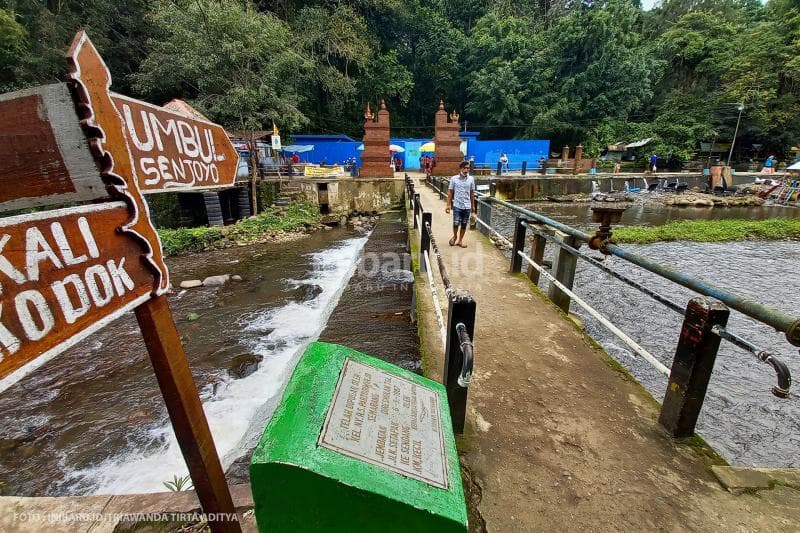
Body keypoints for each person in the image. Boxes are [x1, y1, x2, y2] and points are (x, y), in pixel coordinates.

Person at [446, 161, 476, 248]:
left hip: (467, 206)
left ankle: (460, 240)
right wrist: (448, 205)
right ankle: (455, 236)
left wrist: (473, 206)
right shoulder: (454, 179)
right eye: (465, 168)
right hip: (457, 205)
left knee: (464, 224)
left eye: (468, 168)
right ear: (461, 168)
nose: (466, 170)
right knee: (455, 223)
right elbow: (450, 192)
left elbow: (472, 193)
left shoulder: (471, 179)